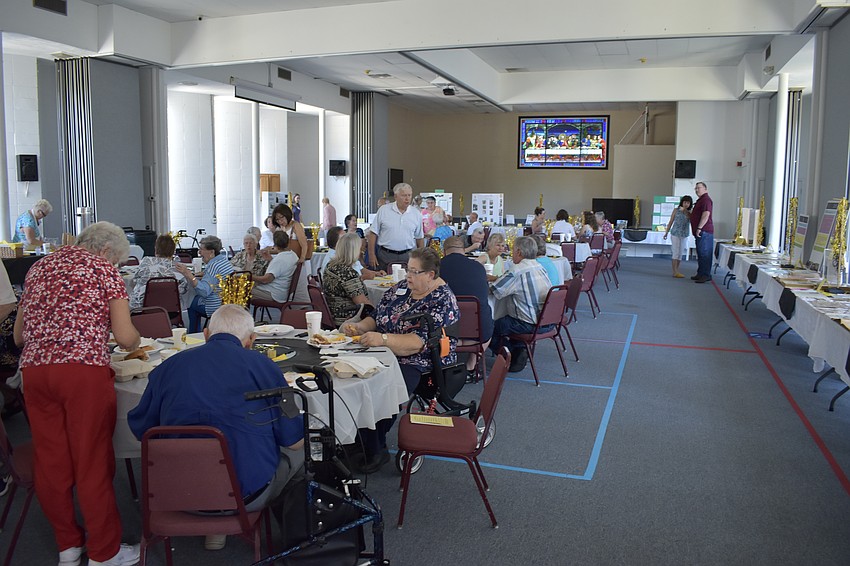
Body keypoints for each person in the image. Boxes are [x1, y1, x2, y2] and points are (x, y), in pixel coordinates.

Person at [13, 221, 142, 566]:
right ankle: (104, 553)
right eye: (116, 260)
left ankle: (68, 546)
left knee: (51, 460)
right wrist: (134, 340)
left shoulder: (39, 266)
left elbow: (19, 337)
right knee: (92, 462)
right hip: (83, 372)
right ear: (104, 252)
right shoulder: (102, 269)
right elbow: (126, 338)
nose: (115, 266)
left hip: (36, 372)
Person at [127, 305, 304, 551]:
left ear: (206, 333)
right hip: (247, 497)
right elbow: (292, 440)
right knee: (302, 450)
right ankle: (297, 538)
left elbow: (141, 430)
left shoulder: (167, 368)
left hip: (175, 492)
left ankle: (216, 527)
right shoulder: (264, 366)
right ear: (251, 340)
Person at [342, 247, 459, 472]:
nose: (408, 276)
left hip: (420, 359)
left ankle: (375, 447)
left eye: (414, 272)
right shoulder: (402, 288)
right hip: (384, 350)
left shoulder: (442, 299)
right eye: (408, 269)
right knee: (351, 377)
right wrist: (359, 327)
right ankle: (356, 438)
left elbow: (418, 342)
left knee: (384, 390)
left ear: (430, 275)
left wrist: (383, 339)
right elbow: (376, 317)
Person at [489, 236, 552, 373]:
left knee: (488, 326)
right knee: (510, 315)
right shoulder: (539, 266)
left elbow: (495, 290)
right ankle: (519, 349)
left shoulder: (517, 270)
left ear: (519, 252)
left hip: (527, 324)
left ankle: (509, 356)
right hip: (546, 321)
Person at [440, 236, 494, 381]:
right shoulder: (478, 268)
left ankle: (440, 365)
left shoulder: (435, 268)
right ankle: (471, 366)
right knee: (487, 312)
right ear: (464, 250)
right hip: (478, 333)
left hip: (445, 334)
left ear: (444, 252)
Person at [175, 235, 235, 333]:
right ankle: (195, 333)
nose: (199, 252)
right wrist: (205, 274)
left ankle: (194, 334)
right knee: (194, 300)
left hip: (215, 305)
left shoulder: (213, 266)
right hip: (228, 302)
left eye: (201, 249)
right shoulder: (224, 261)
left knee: (191, 301)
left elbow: (204, 291)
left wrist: (189, 275)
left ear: (211, 252)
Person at [367, 182, 424, 271]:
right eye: (404, 195)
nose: (407, 199)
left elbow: (419, 238)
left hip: (407, 255)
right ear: (396, 196)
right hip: (385, 255)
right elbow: (373, 233)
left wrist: (421, 258)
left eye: (409, 195)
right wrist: (371, 254)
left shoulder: (416, 214)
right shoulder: (384, 210)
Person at [323, 233, 373, 325]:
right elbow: (363, 303)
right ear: (355, 251)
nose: (362, 251)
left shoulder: (330, 266)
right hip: (347, 319)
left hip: (332, 314)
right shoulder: (348, 273)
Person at [130, 234, 190, 310]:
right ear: (173, 250)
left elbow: (135, 280)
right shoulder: (179, 268)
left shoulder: (146, 261)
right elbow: (183, 289)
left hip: (143, 309)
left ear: (156, 249)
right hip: (171, 310)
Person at [251, 231, 299, 303]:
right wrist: (271, 260)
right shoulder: (293, 255)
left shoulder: (279, 259)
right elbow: (282, 269)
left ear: (275, 245)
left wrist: (249, 276)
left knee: (240, 290)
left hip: (274, 293)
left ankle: (239, 313)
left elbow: (266, 279)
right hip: (283, 291)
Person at [663, 195, 694, 278]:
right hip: (675, 233)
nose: (686, 204)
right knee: (675, 252)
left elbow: (692, 221)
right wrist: (666, 232)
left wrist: (687, 212)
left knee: (680, 252)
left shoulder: (690, 212)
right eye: (685, 202)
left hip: (684, 234)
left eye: (688, 203)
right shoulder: (676, 210)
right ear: (682, 202)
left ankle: (677, 270)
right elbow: (671, 221)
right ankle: (674, 271)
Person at [690, 181, 714, 283]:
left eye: (698, 188)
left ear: (705, 189)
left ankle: (705, 275)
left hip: (704, 231)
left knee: (705, 253)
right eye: (695, 188)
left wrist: (699, 228)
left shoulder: (706, 200)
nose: (696, 190)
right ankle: (700, 273)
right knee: (700, 253)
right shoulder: (700, 200)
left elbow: (706, 215)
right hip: (700, 231)